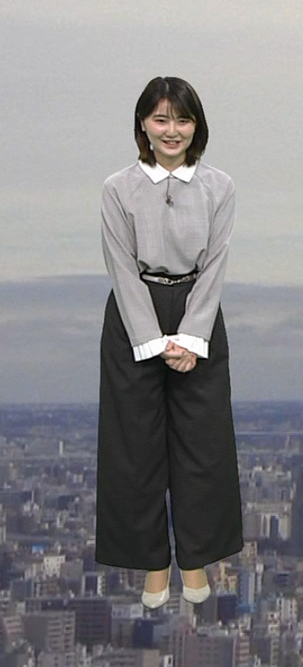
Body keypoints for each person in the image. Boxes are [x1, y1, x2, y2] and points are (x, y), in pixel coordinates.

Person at [97, 77, 242, 607]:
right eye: (161, 119)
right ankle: (153, 565)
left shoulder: (219, 187)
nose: (172, 130)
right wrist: (152, 340)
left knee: (204, 443)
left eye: (182, 119)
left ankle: (196, 558)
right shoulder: (118, 188)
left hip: (197, 307)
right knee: (133, 447)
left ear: (196, 126)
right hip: (134, 310)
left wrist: (192, 336)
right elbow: (120, 266)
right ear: (143, 124)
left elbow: (216, 264)